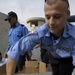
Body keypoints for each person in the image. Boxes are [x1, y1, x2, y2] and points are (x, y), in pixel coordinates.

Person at [6, 0, 75, 75]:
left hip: (68, 58)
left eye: (57, 17)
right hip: (53, 56)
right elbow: (14, 52)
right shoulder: (39, 33)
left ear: (67, 14)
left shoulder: (73, 35)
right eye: (48, 17)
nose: (51, 23)